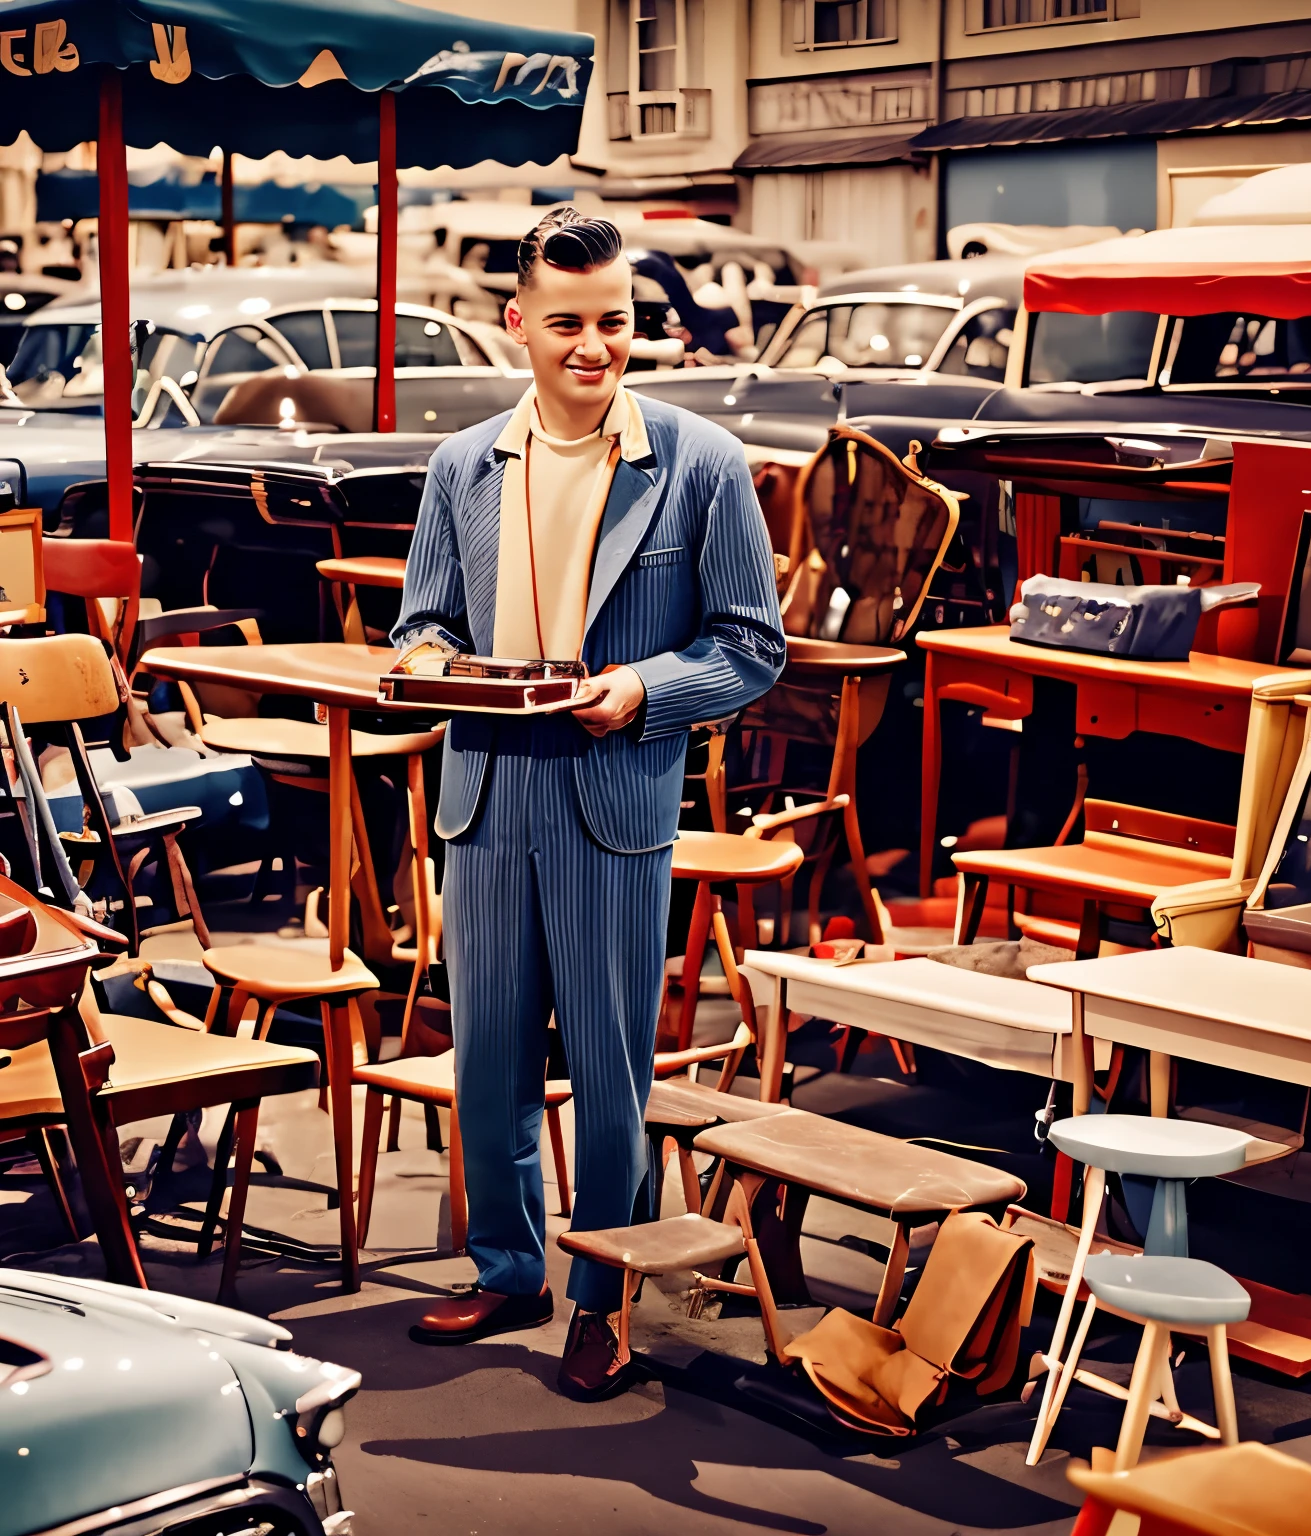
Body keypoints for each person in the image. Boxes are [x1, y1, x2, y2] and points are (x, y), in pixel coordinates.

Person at [391, 207, 784, 1399]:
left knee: (612, 1070)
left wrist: (643, 688)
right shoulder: (461, 465)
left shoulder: (699, 462)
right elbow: (419, 623)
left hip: (614, 796)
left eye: (612, 322)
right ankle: (508, 1267)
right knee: (489, 1058)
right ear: (518, 324)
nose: (593, 346)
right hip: (487, 790)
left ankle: (603, 1296)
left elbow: (752, 647)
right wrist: (434, 664)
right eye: (567, 323)